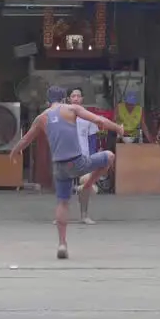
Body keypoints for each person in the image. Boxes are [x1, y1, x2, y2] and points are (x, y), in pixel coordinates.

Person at [9, 86, 123, 260]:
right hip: (77, 161)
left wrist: (14, 152)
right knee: (109, 156)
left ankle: (62, 244)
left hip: (59, 167)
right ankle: (88, 185)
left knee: (62, 203)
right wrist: (118, 128)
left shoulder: (41, 118)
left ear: (48, 101)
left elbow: (26, 140)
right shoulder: (72, 109)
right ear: (64, 99)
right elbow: (100, 121)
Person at [69, 87, 99, 225]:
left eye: (78, 96)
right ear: (69, 98)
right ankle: (61, 216)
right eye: (73, 96)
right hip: (66, 157)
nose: (75, 98)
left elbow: (93, 140)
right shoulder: (63, 115)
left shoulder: (88, 117)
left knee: (85, 186)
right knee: (63, 188)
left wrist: (92, 159)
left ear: (82, 99)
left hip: (84, 157)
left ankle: (84, 215)